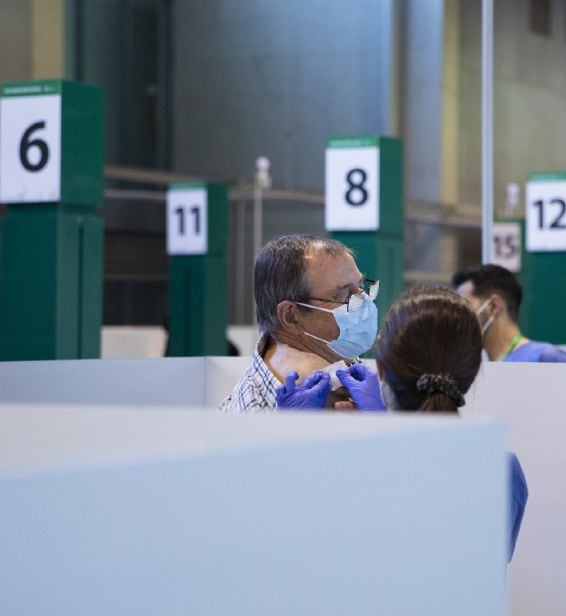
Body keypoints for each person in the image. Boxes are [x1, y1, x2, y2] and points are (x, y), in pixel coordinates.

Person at [277, 287, 528, 561]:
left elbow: (299, 551)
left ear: (381, 369)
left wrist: (292, 439)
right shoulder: (502, 470)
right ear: (474, 371)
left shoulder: (345, 471)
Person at [221, 234, 379, 412]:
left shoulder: (336, 352)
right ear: (291, 316)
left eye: (360, 286)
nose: (363, 300)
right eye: (342, 295)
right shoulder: (258, 409)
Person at [452, 264, 566, 363]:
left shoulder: (546, 358)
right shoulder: (477, 370)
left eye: (465, 306)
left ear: (493, 306)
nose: (459, 317)